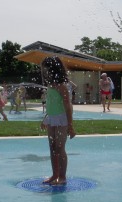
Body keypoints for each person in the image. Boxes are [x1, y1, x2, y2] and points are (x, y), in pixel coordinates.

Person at [40, 56, 76, 185]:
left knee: (60, 148)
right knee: (52, 147)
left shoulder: (61, 85)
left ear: (53, 69)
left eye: (46, 69)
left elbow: (68, 105)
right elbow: (51, 103)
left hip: (62, 119)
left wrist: (70, 125)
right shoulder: (51, 85)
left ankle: (62, 177)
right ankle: (54, 174)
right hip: (52, 118)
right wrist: (46, 118)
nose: (45, 72)